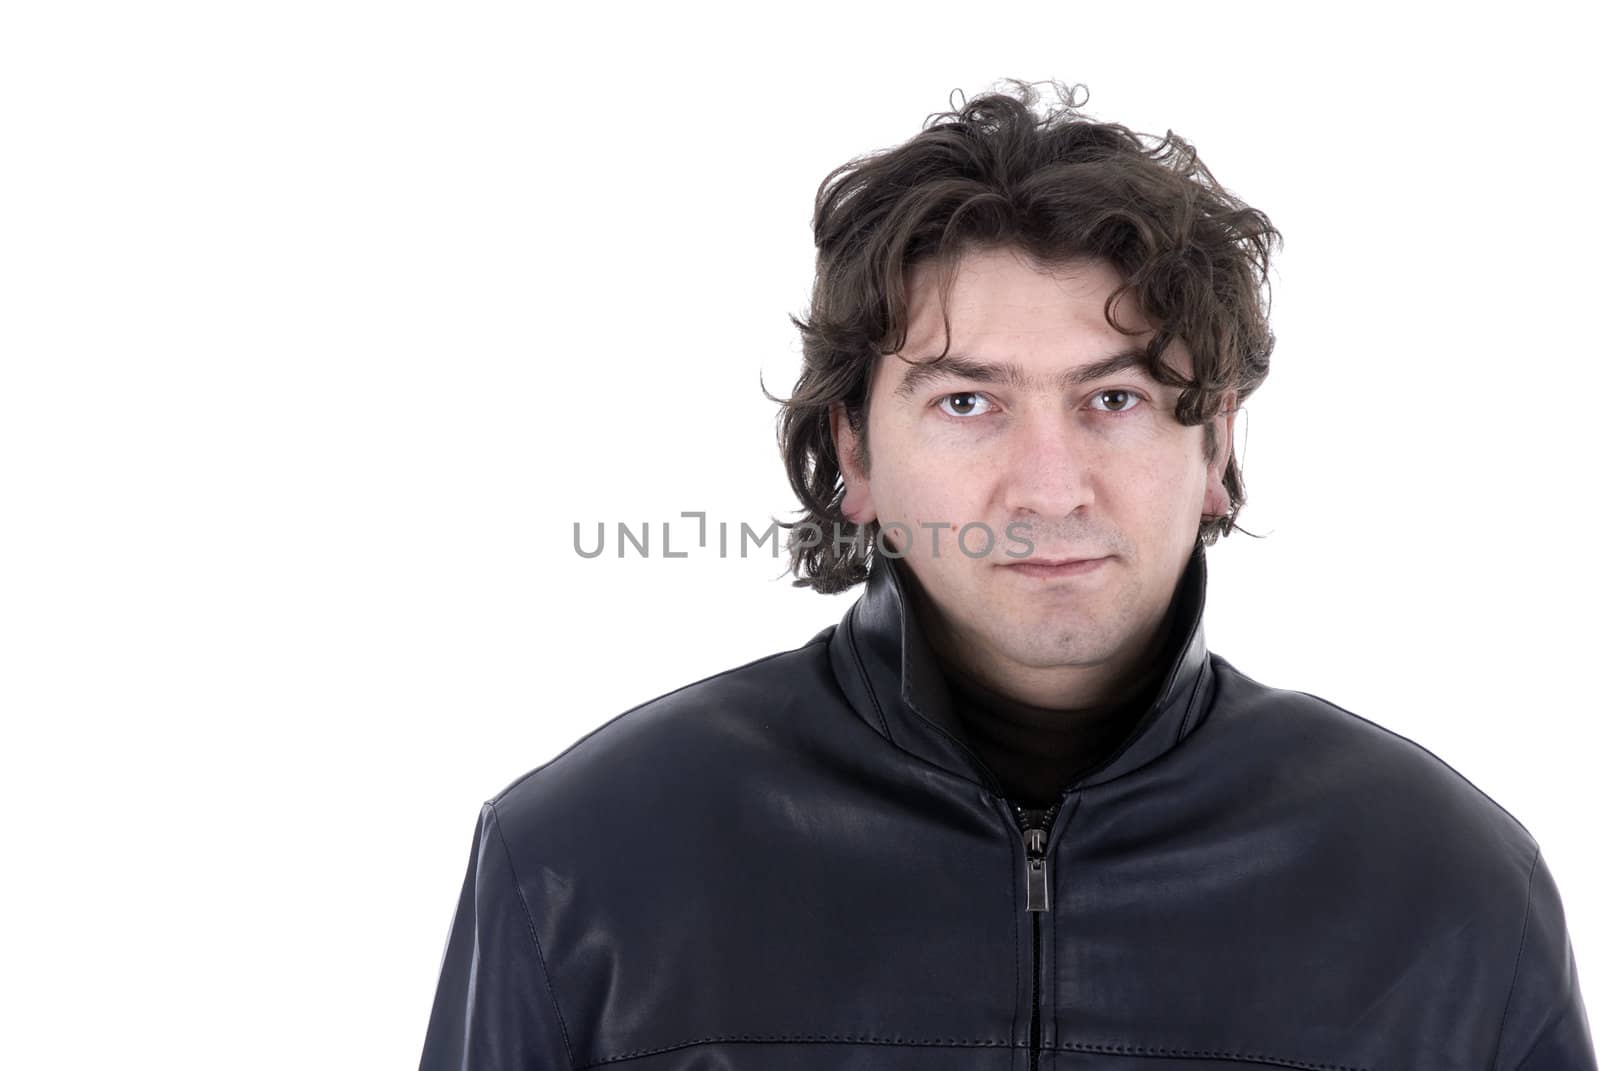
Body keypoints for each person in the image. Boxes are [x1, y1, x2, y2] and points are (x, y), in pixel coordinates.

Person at [418, 80, 1595, 1070]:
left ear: (1216, 448)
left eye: (1115, 399)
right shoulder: (584, 860)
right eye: (968, 402)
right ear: (856, 453)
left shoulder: (1447, 888)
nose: (1047, 486)